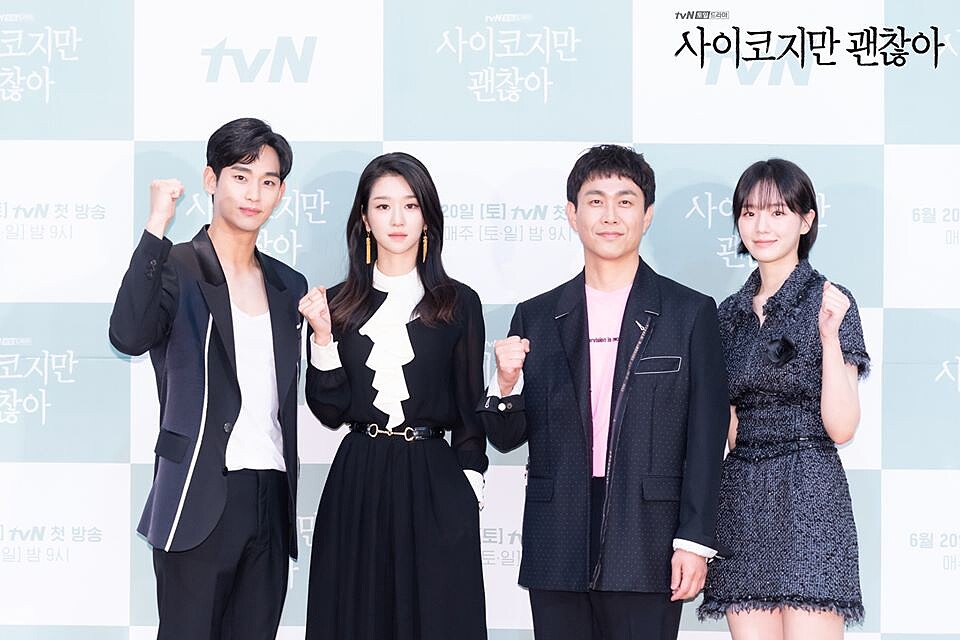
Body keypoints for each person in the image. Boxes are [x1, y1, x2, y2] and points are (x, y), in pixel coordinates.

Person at [478, 144, 729, 640]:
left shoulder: (689, 312)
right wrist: (505, 385)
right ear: (572, 214)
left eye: (625, 201)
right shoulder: (536, 316)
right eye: (595, 201)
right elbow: (505, 438)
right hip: (558, 536)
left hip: (649, 535)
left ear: (647, 215)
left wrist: (694, 541)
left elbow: (706, 436)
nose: (610, 215)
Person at [109, 117, 306, 639]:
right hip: (197, 494)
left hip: (270, 495)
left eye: (267, 181)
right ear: (210, 179)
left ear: (281, 193)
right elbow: (127, 335)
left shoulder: (289, 285)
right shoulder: (176, 266)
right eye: (240, 176)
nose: (254, 193)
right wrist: (156, 226)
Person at [300, 151, 488, 640]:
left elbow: (470, 410)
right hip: (359, 478)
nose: (397, 219)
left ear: (427, 217)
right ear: (365, 219)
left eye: (410, 205)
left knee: (439, 619)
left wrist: (469, 485)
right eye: (383, 206)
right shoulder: (335, 304)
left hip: (434, 479)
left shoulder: (458, 302)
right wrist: (322, 337)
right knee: (357, 616)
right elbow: (328, 410)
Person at [698, 158, 869, 639]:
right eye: (749, 213)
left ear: (806, 220)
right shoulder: (726, 315)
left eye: (777, 212)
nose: (761, 226)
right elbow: (728, 428)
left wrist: (830, 337)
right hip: (743, 497)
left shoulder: (831, 301)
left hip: (809, 492)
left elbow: (842, 427)